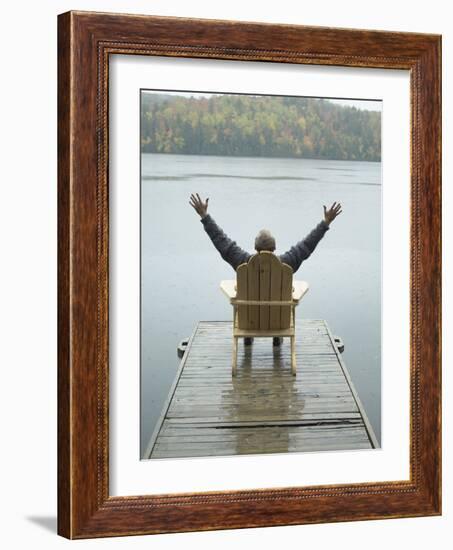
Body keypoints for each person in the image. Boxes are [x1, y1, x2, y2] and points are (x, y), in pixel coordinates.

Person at [189, 192, 342, 345]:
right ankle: (277, 337)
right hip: (278, 322)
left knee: (242, 293)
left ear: (255, 247)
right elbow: (307, 245)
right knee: (285, 293)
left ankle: (248, 337)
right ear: (274, 248)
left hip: (248, 321)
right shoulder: (286, 264)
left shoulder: (242, 262)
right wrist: (326, 222)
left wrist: (204, 215)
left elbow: (221, 241)